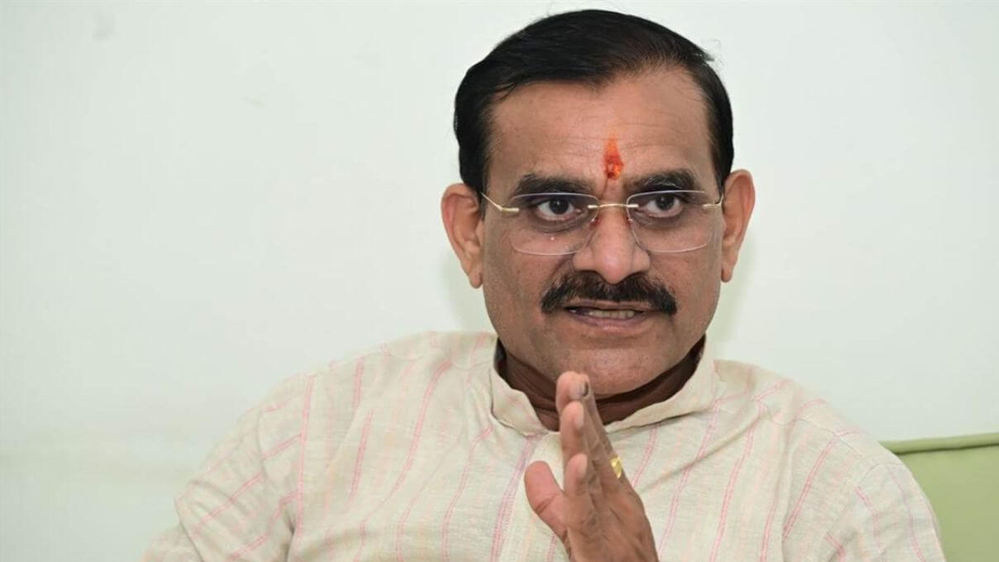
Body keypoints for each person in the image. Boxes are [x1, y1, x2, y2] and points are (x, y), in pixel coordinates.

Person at [143, 9, 944, 562]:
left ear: (728, 225)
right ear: (470, 234)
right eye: (555, 206)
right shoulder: (312, 433)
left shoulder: (837, 496)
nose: (614, 261)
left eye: (662, 203)